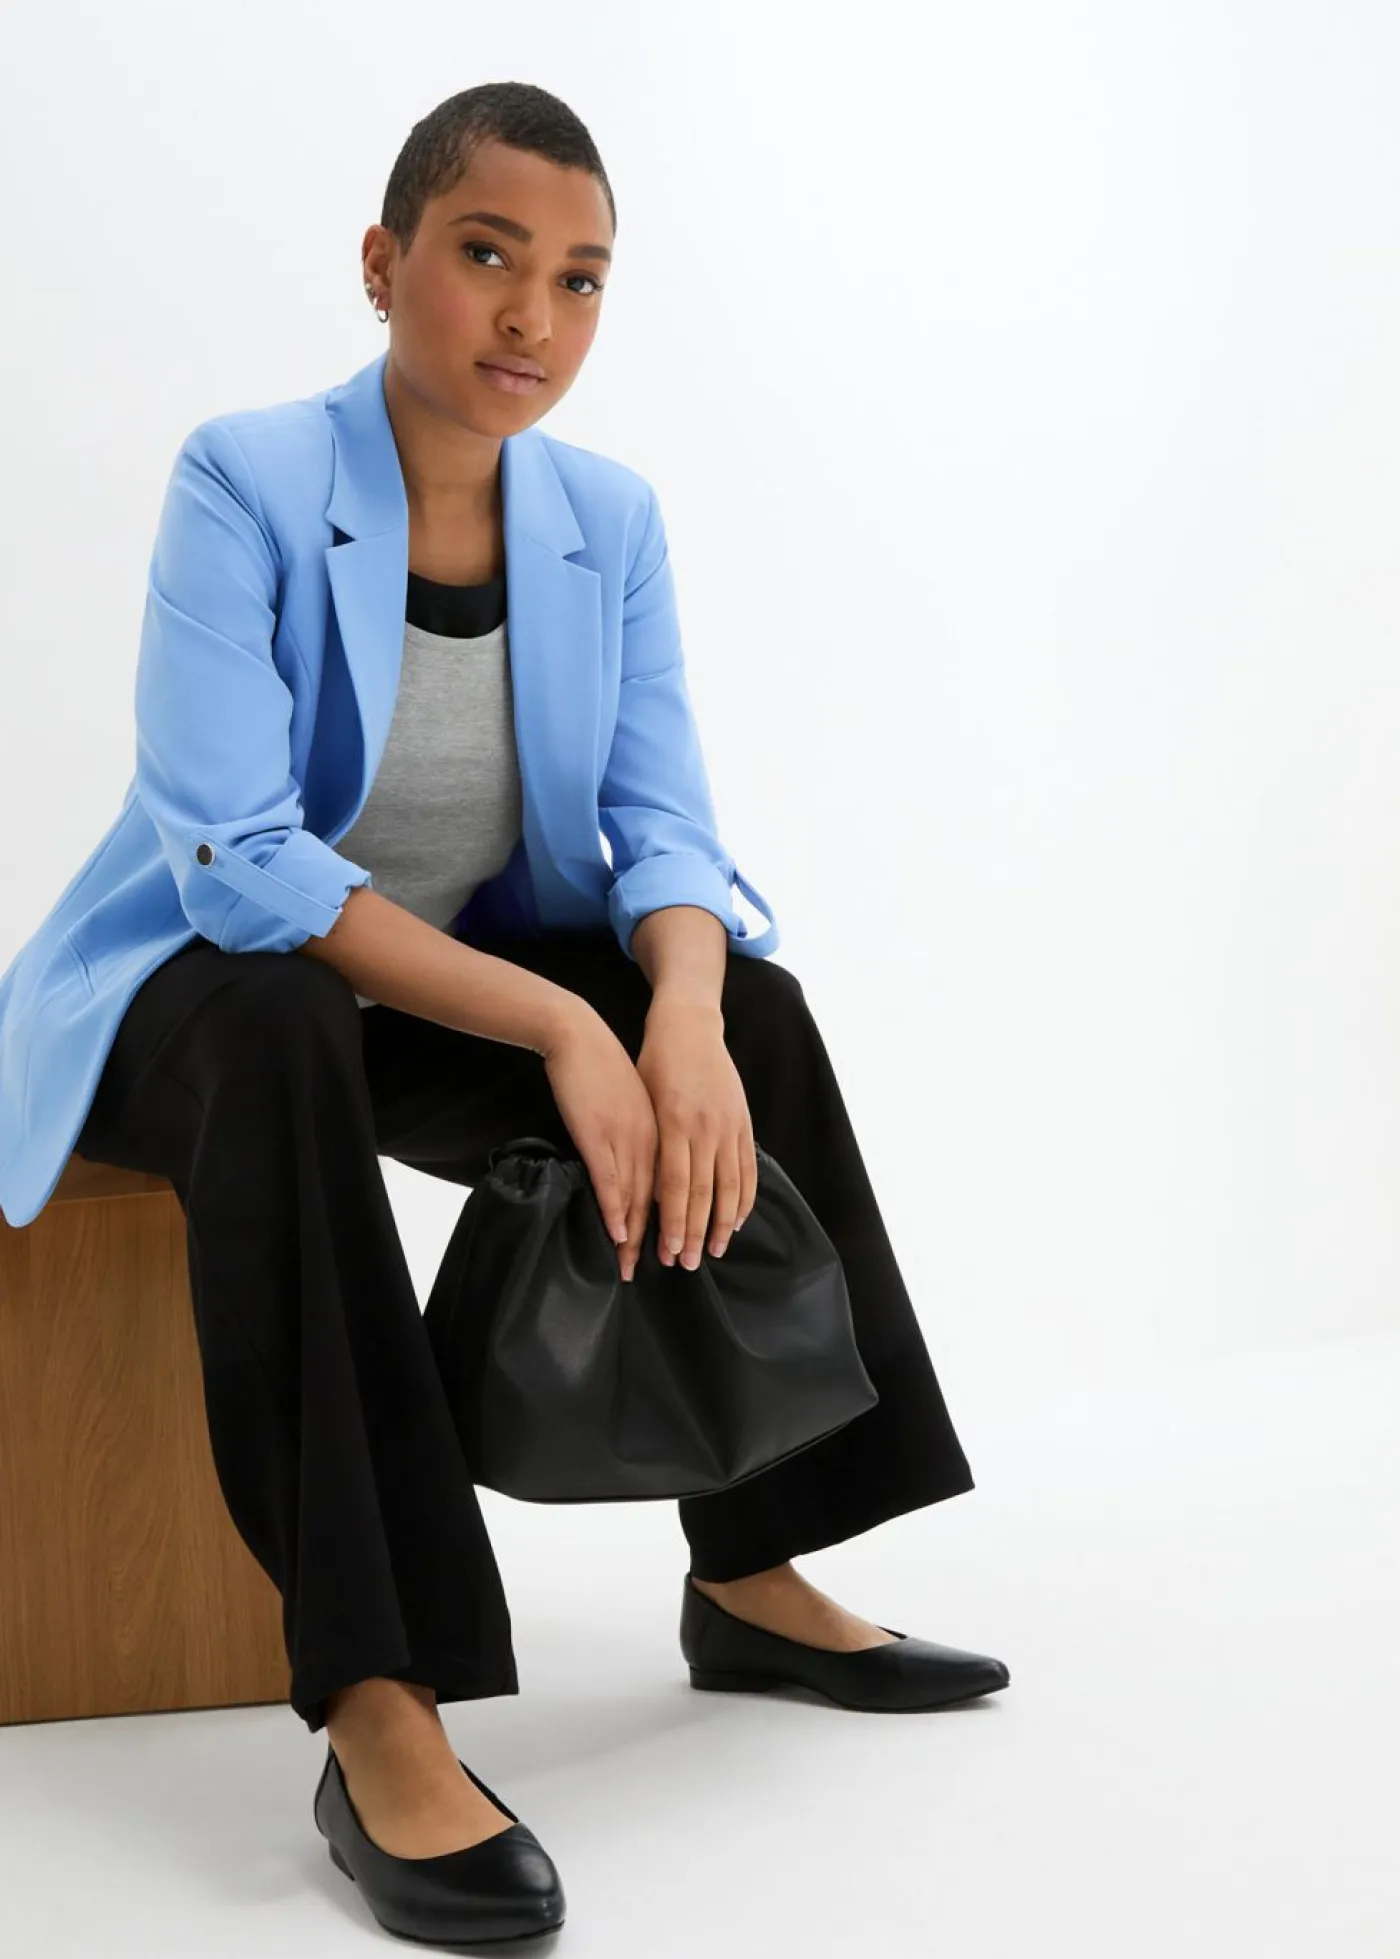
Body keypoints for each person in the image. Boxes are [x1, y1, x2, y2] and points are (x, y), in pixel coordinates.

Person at [38, 80, 1007, 1947]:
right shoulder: (244, 478)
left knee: (752, 1010)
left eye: (579, 278)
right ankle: (378, 1698)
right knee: (282, 1022)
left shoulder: (604, 519)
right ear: (384, 260)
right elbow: (239, 860)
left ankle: (753, 1570)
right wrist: (567, 1032)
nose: (532, 315)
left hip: (432, 974)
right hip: (193, 998)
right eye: (488, 254)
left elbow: (667, 829)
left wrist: (676, 1019)